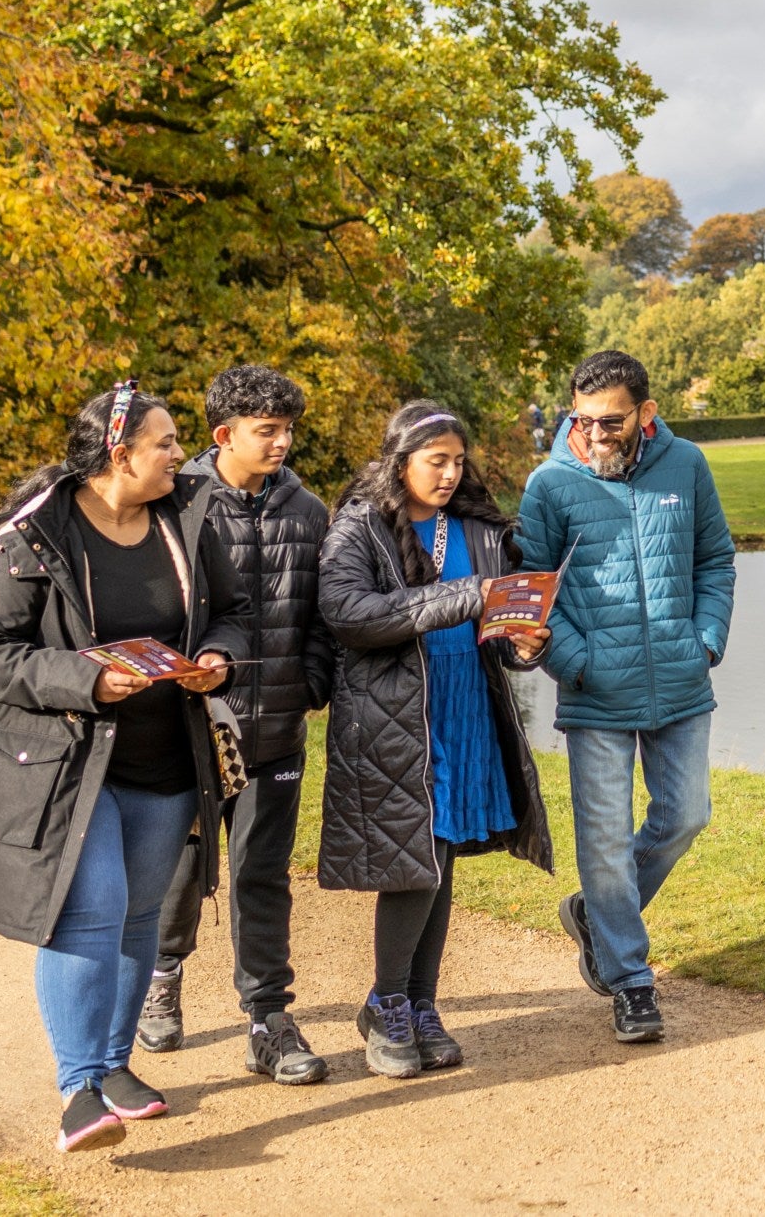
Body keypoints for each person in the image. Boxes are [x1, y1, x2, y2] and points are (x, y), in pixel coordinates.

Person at [0, 382, 255, 1154]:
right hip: (67, 767)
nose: (178, 455)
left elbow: (231, 609)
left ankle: (115, 1067)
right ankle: (78, 1089)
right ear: (119, 455)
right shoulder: (36, 535)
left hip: (167, 760)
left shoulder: (187, 518)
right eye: (165, 443)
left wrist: (218, 657)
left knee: (138, 921)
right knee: (86, 917)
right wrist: (84, 679)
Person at [316, 401, 555, 1078]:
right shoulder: (359, 525)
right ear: (400, 461)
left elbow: (503, 633)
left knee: (439, 856)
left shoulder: (478, 529)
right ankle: (385, 1002)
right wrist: (463, 598)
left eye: (458, 461)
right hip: (396, 715)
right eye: (435, 461)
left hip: (466, 706)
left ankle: (421, 1004)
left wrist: (528, 644)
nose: (450, 474)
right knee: (417, 859)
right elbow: (348, 613)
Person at [518, 350, 736, 1045]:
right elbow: (530, 590)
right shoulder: (549, 485)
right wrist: (577, 663)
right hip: (594, 692)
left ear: (646, 412)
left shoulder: (687, 466)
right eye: (583, 420)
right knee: (605, 840)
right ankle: (631, 981)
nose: (597, 433)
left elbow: (715, 559)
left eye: (612, 420)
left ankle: (595, 914)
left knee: (686, 816)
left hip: (680, 679)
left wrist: (705, 639)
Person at [135, 364, 336, 1084]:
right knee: (183, 867)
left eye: (288, 430)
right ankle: (163, 973)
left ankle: (267, 1017)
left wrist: (311, 683)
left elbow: (325, 615)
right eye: (267, 431)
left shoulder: (310, 513)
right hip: (190, 731)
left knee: (262, 873)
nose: (282, 442)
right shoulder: (176, 506)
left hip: (277, 728)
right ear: (225, 435)